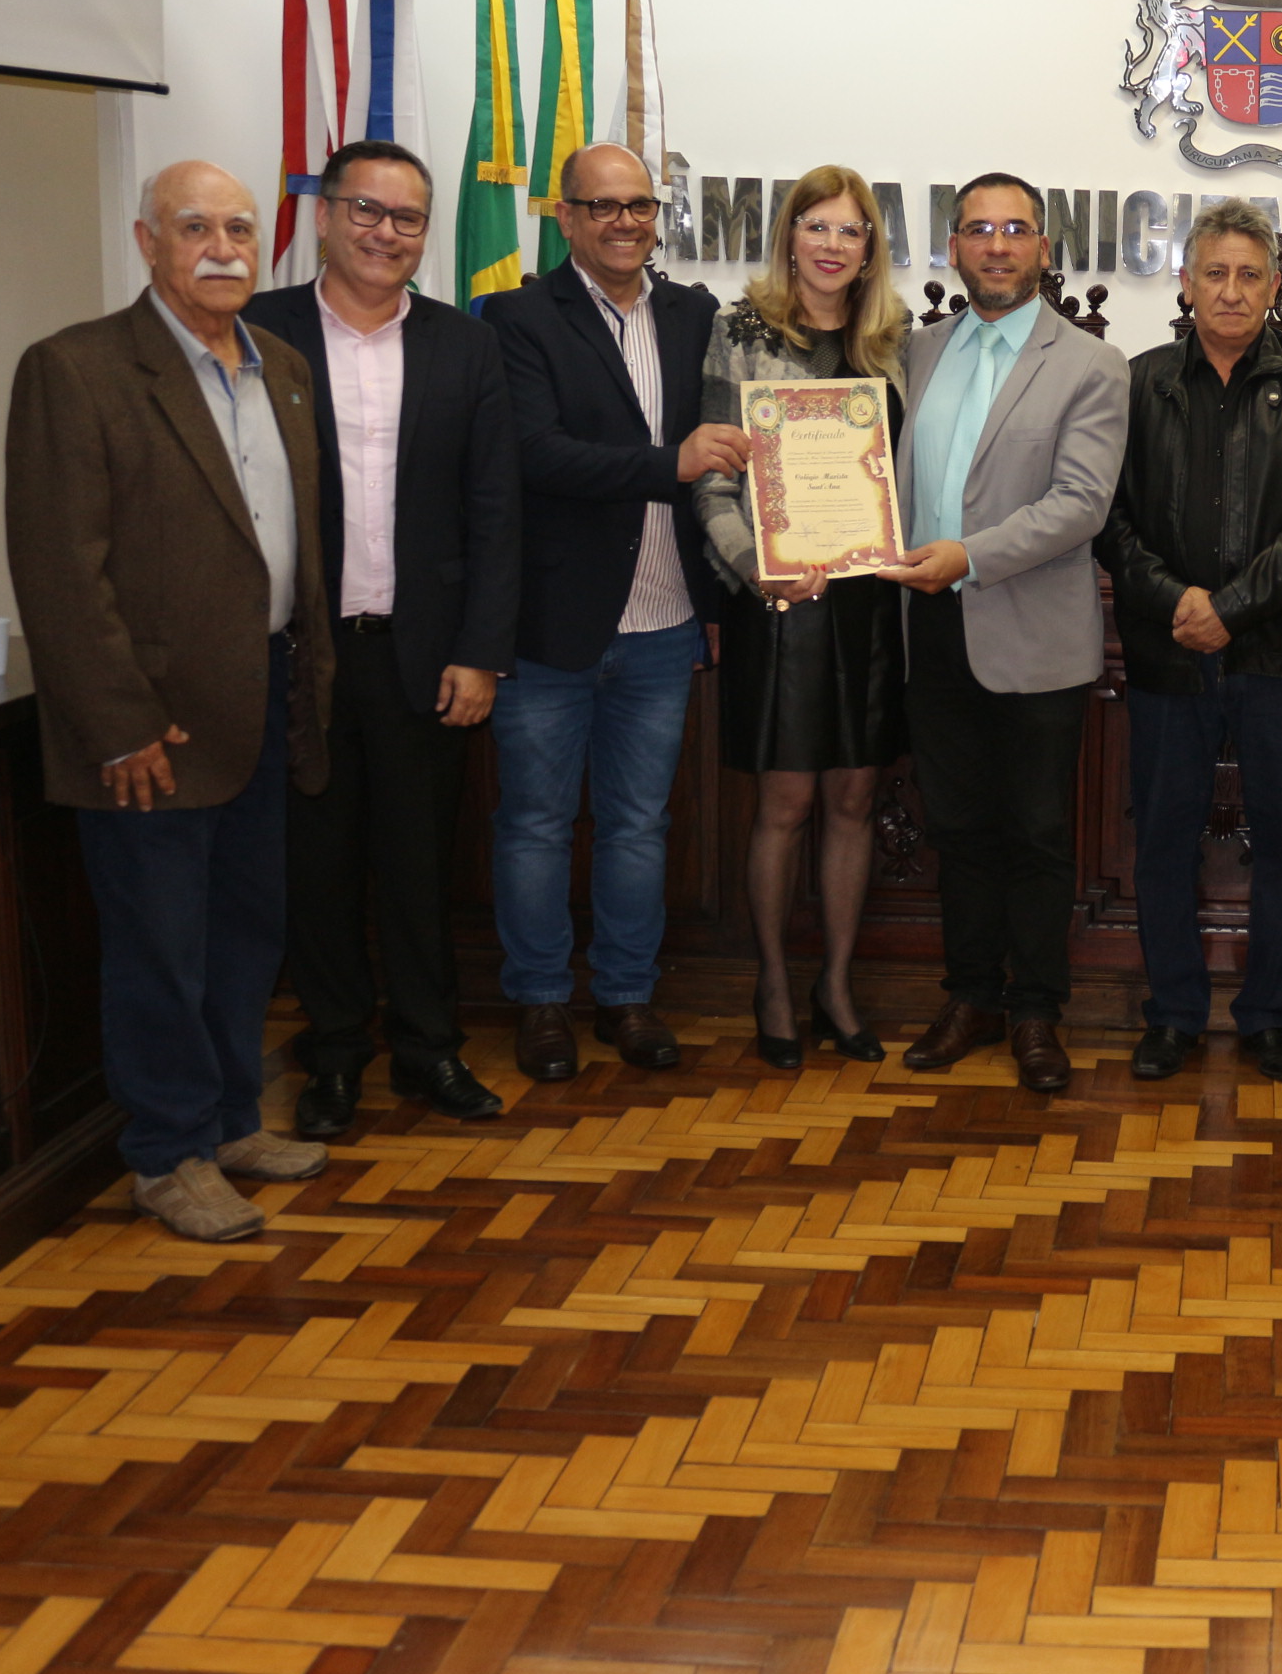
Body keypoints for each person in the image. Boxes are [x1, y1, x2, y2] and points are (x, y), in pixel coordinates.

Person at [5, 160, 336, 1240]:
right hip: (154, 720)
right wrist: (120, 722)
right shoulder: (78, 370)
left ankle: (232, 1120)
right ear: (148, 243)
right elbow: (59, 569)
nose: (224, 246)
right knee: (160, 946)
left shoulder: (281, 365)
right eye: (195, 227)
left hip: (267, 695)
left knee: (247, 931)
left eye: (240, 226)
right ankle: (166, 1154)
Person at [243, 139, 516, 1136]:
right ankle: (335, 1057)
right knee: (315, 864)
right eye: (366, 210)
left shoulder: (464, 345)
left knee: (417, 863)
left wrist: (483, 649)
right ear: (323, 214)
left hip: (426, 653)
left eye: (406, 218)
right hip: (300, 654)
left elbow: (496, 508)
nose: (384, 233)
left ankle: (429, 1050)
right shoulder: (259, 334)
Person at [479, 142, 750, 1081]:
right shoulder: (516, 318)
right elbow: (534, 454)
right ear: (566, 219)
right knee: (536, 825)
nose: (625, 221)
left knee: (640, 826)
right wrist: (666, 462)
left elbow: (731, 452)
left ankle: (628, 996)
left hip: (666, 622)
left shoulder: (695, 314)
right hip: (551, 624)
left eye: (639, 204)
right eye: (603, 207)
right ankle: (542, 1001)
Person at [1099, 198, 1282, 1084]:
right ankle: (1171, 1013)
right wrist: (1179, 601)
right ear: (1185, 281)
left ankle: (1268, 1017)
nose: (1233, 291)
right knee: (1163, 841)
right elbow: (1112, 519)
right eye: (1216, 273)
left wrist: (1234, 608)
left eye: (1251, 275)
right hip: (1170, 652)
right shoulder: (1137, 381)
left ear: (1276, 287)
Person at [885, 173, 1130, 1092]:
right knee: (957, 827)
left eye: (1016, 230)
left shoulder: (1092, 364)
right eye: (979, 230)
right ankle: (970, 996)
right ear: (954, 246)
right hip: (931, 631)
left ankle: (1037, 1013)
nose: (997, 245)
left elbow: (1080, 505)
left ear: (1045, 249)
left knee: (1034, 833)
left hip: (1033, 634)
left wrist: (969, 557)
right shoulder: (915, 352)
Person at [695, 165, 907, 1071]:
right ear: (789, 238)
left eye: (850, 231)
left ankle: (837, 984)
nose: (831, 244)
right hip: (776, 605)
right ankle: (775, 981)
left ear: (868, 252)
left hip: (867, 603)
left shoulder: (897, 346)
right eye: (816, 227)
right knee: (783, 801)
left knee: (855, 797)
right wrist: (755, 571)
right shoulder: (738, 332)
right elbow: (711, 479)